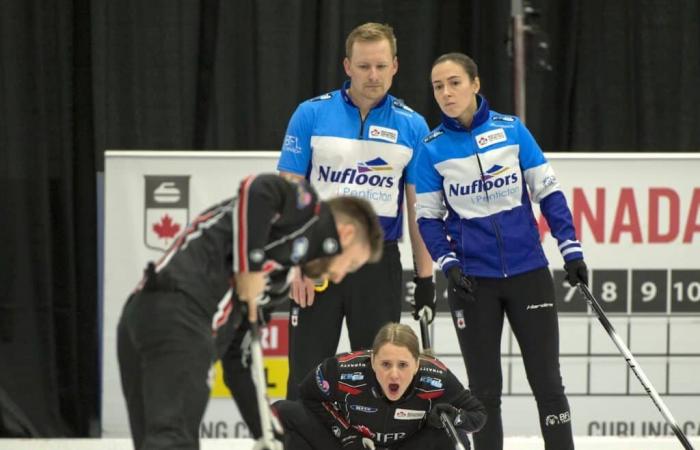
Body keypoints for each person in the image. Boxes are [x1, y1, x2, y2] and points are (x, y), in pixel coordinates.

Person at [117, 173, 384, 450]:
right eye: (350, 264)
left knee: (158, 439)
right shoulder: (307, 208)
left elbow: (238, 360)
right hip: (179, 310)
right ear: (346, 234)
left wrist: (270, 433)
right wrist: (251, 266)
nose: (339, 277)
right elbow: (258, 188)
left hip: (145, 320)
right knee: (173, 439)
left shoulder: (278, 282)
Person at [413, 52, 588, 450]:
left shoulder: (512, 130)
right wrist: (449, 264)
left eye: (454, 82)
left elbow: (548, 192)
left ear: (475, 85)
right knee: (484, 390)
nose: (446, 92)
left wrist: (571, 250)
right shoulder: (431, 149)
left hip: (529, 274)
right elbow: (427, 218)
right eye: (438, 86)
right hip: (473, 282)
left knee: (547, 381)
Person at [276, 22, 435, 401]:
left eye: (381, 66)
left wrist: (426, 279)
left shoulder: (413, 126)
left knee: (380, 376)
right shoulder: (310, 114)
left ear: (395, 66)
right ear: (347, 66)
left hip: (378, 265)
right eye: (364, 66)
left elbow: (419, 209)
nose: (373, 75)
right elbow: (288, 192)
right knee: (306, 375)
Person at [274, 322, 486, 449]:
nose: (394, 374)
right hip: (355, 446)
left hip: (407, 446)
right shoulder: (341, 370)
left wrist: (454, 416)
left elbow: (478, 415)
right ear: (373, 361)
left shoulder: (436, 377)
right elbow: (308, 396)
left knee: (454, 435)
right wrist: (345, 433)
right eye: (385, 364)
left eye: (403, 365)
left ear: (416, 364)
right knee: (282, 412)